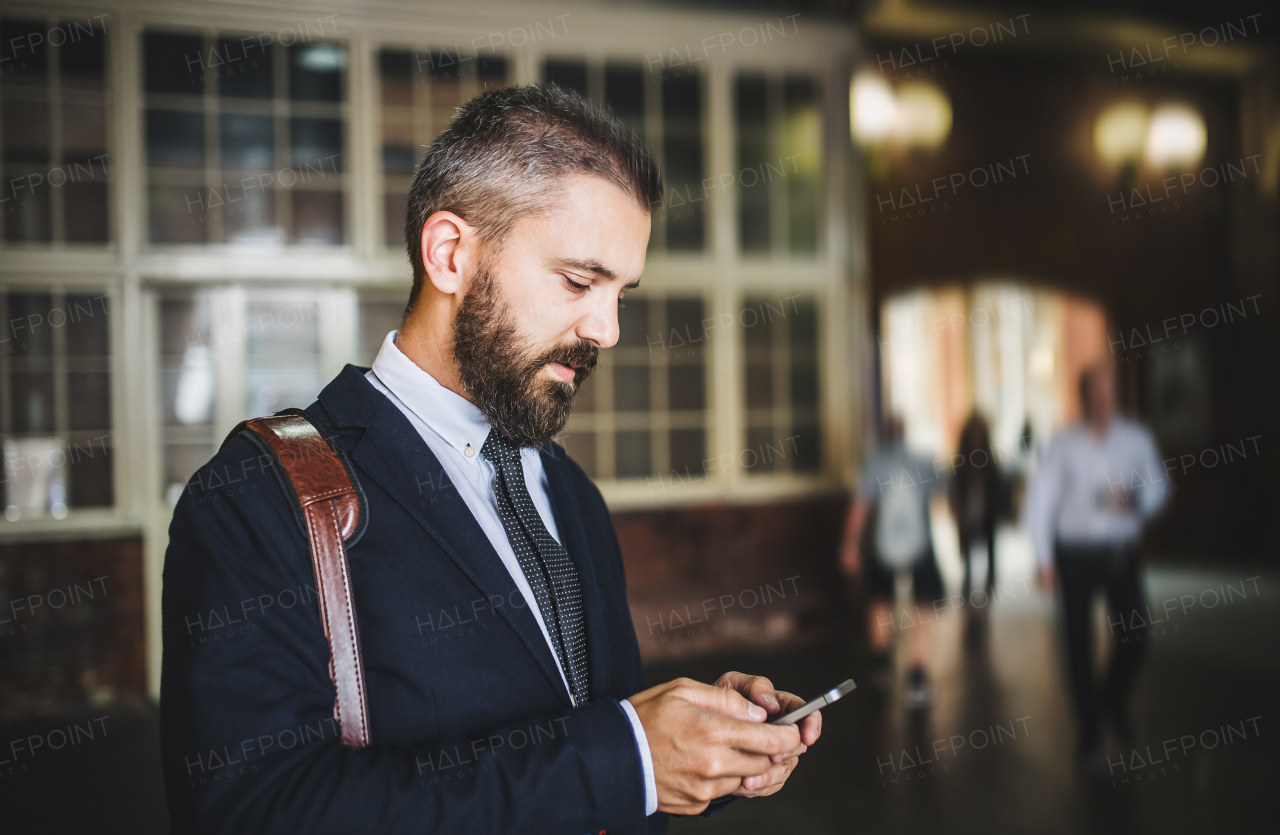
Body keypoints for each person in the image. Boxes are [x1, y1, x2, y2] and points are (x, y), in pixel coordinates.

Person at [160, 85, 820, 835]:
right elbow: (253, 813)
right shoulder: (254, 499)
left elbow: (595, 745)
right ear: (449, 255)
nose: (605, 329)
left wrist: (695, 748)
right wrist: (628, 756)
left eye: (621, 295)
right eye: (578, 281)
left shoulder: (569, 491)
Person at [1024, 362, 1166, 769]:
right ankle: (1089, 730)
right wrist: (1043, 558)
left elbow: (1158, 484)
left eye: (1109, 391)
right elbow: (1040, 500)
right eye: (1096, 391)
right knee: (1078, 644)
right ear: (1084, 395)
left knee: (1136, 638)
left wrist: (1138, 499)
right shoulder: (1063, 444)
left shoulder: (1134, 439)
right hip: (1075, 554)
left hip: (1121, 550)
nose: (1104, 398)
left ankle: (1111, 702)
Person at [839, 415, 946, 708]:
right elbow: (949, 491)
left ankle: (881, 663)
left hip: (883, 546)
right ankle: (918, 674)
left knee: (880, 601)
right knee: (923, 607)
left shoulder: (875, 462)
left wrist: (850, 543)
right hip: (920, 545)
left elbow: (860, 506)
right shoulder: (922, 461)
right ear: (905, 432)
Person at [949, 412, 1000, 601]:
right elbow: (955, 486)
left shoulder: (988, 460)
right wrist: (957, 509)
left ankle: (990, 579)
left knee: (990, 544)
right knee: (967, 544)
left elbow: (996, 486)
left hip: (987, 510)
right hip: (968, 510)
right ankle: (968, 577)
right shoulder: (963, 461)